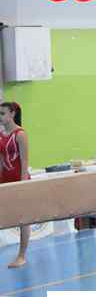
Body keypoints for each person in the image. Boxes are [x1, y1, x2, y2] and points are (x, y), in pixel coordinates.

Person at [0, 102, 30, 268]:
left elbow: (25, 161)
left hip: (19, 180)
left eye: (2, 113)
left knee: (23, 219)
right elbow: (0, 161)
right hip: (5, 180)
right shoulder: (1, 135)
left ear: (12, 114)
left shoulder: (20, 134)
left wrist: (22, 184)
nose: (0, 117)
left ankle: (21, 255)